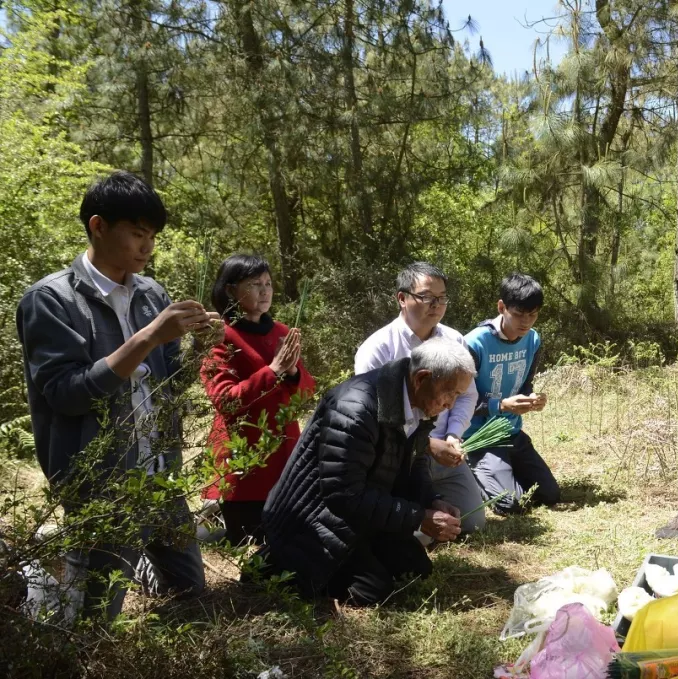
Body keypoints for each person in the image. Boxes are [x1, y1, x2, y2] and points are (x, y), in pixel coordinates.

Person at [16, 170, 223, 620]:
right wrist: (148, 337)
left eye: (152, 236)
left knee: (191, 597)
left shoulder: (152, 295)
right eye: (136, 234)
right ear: (98, 226)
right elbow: (66, 394)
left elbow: (169, 383)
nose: (147, 247)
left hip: (160, 475)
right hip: (100, 487)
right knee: (93, 617)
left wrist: (199, 350)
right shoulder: (50, 300)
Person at [259, 338, 472, 606]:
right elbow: (342, 494)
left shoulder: (420, 401)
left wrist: (431, 500)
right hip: (315, 520)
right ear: (422, 378)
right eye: (450, 393)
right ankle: (275, 562)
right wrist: (418, 517)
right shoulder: (356, 408)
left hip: (363, 514)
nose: (451, 404)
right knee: (373, 591)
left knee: (416, 570)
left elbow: (415, 462)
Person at [353, 262, 486, 534]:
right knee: (407, 529)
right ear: (402, 298)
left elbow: (467, 394)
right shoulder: (377, 349)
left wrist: (453, 435)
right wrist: (426, 444)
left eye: (441, 298)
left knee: (471, 522)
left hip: (446, 455)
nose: (435, 304)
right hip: (398, 459)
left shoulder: (455, 340)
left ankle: (430, 504)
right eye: (426, 296)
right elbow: (373, 415)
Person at [200, 254, 316, 546]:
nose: (265, 291)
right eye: (254, 284)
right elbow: (225, 400)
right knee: (246, 543)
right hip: (243, 465)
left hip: (283, 457)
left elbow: (304, 393)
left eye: (268, 283)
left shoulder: (282, 332)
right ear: (230, 290)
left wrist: (291, 372)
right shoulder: (220, 335)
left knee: (288, 543)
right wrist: (273, 370)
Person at [464, 273, 560, 514]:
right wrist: (501, 405)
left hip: (511, 431)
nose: (526, 322)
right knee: (510, 505)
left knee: (549, 495)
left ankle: (502, 469)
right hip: (478, 436)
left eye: (533, 314)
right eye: (518, 314)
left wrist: (532, 398)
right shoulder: (474, 344)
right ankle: (473, 468)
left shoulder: (533, 339)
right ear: (501, 307)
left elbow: (525, 384)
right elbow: (458, 400)